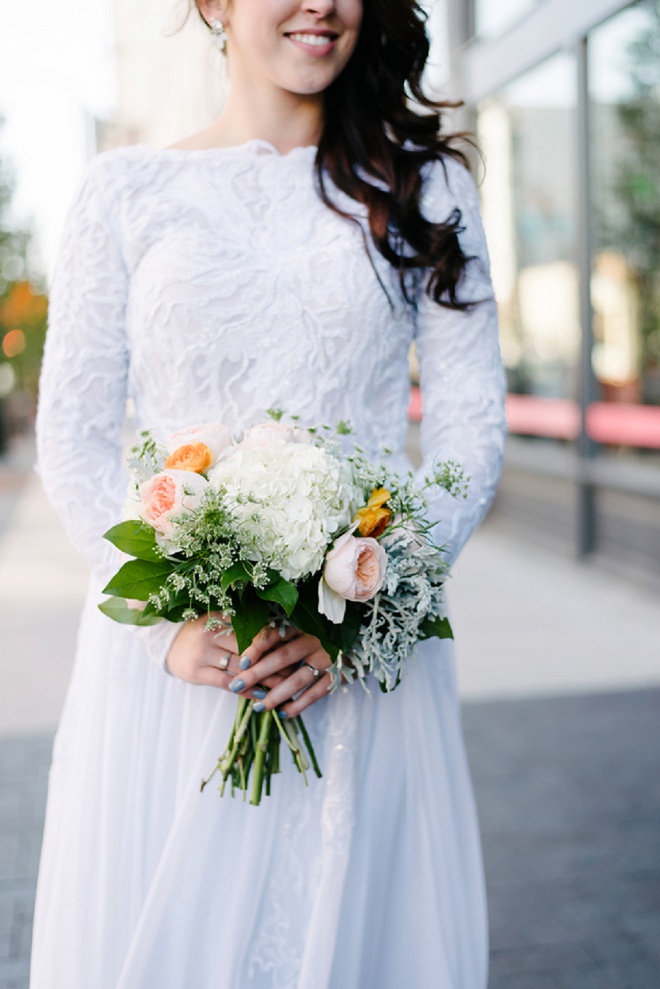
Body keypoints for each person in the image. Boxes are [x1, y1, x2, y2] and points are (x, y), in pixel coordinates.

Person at [31, 1, 506, 986]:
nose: (323, 4)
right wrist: (162, 628)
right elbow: (74, 438)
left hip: (362, 669)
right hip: (176, 671)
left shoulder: (425, 186)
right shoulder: (124, 191)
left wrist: (362, 614)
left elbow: (469, 431)